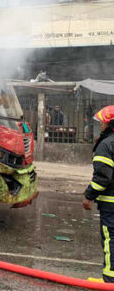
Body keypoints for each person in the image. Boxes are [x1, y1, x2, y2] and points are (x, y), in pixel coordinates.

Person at [83, 105, 114, 283]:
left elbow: (102, 177)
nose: (100, 127)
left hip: (111, 202)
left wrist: (88, 196)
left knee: (111, 240)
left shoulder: (107, 144)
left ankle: (110, 281)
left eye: (102, 123)